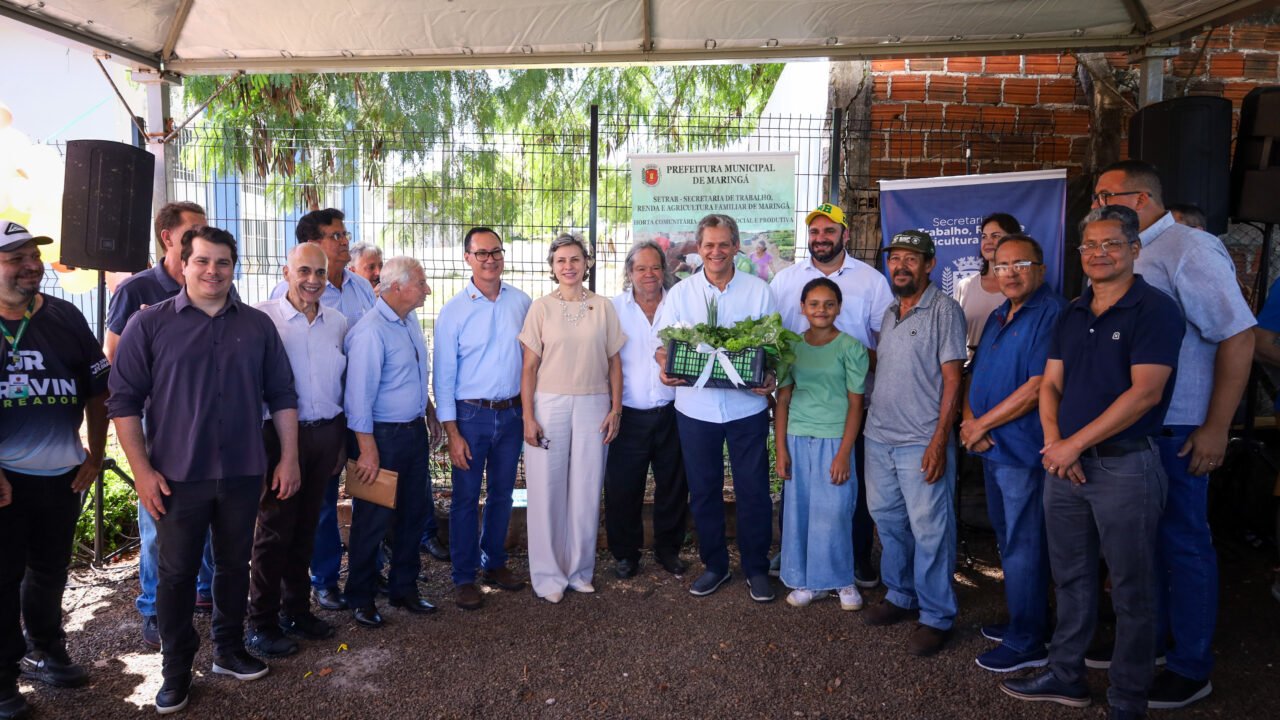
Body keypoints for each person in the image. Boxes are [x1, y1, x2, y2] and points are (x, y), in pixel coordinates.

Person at [1000, 205, 1184, 720]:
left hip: (1124, 467)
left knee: (1131, 587)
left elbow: (1145, 394)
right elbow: (1050, 384)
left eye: (1111, 244)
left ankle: (1127, 696)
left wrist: (1073, 445)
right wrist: (1056, 444)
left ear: (1134, 249)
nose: (1099, 253)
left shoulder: (1156, 310)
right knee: (1071, 578)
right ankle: (1066, 675)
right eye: (1089, 245)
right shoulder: (1073, 312)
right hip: (1065, 467)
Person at [108, 226, 300, 714]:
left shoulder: (257, 326)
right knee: (176, 575)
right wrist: (142, 472)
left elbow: (282, 394)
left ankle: (228, 650)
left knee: (235, 566)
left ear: (234, 268)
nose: (212, 271)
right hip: (176, 476)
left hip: (243, 471)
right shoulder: (148, 325)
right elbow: (123, 402)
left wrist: (289, 457)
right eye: (202, 261)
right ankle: (176, 670)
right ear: (183, 264)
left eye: (223, 262)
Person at [1091, 160, 1256, 709]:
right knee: (1143, 547)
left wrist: (1216, 427)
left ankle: (1190, 666)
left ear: (1141, 199)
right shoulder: (1129, 251)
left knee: (1183, 544)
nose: (1097, 205)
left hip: (1178, 426)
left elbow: (1238, 335)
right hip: (1131, 426)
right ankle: (1153, 645)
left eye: (1106, 195)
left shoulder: (1189, 248)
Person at [0, 221, 109, 719]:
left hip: (62, 475)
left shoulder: (65, 316)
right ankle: (3, 680)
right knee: (3, 579)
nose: (31, 266)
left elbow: (99, 391)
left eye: (34, 256)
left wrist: (95, 454)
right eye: (15, 258)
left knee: (49, 570)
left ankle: (45, 649)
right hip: (4, 479)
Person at [104, 201, 216, 648]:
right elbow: (114, 360)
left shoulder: (209, 282)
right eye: (193, 230)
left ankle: (204, 590)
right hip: (156, 424)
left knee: (207, 509)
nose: (202, 237)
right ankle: (153, 607)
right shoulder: (136, 290)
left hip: (205, 420)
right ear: (168, 237)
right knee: (157, 516)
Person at [654, 214, 779, 602]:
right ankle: (715, 565)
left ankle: (756, 568)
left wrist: (770, 376)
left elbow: (773, 349)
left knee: (754, 490)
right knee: (704, 490)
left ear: (736, 246)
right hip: (696, 410)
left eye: (724, 244)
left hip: (746, 409)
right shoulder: (681, 293)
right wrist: (665, 368)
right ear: (699, 248)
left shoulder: (759, 291)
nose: (716, 251)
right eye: (709, 244)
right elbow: (661, 347)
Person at [771, 202, 893, 588]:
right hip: (802, 410)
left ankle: (856, 559)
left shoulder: (871, 281)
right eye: (815, 232)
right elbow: (773, 339)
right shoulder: (785, 281)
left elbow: (885, 341)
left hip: (852, 406)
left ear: (845, 235)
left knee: (849, 487)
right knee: (798, 487)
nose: (821, 238)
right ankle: (795, 554)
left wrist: (848, 358)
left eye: (829, 231)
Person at [961, 234, 1067, 672]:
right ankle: (1026, 620)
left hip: (1022, 449)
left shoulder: (1052, 313)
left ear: (1040, 267)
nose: (1010, 273)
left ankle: (1028, 640)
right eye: (1001, 265)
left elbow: (1039, 386)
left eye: (1020, 264)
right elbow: (976, 373)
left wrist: (982, 424)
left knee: (1025, 543)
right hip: (991, 447)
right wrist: (970, 421)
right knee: (1009, 541)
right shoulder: (999, 313)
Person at [861, 229, 967, 657]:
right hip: (878, 437)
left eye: (910, 259)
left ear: (929, 264)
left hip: (921, 440)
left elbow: (953, 380)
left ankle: (937, 615)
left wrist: (940, 440)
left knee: (930, 530)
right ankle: (901, 594)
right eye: (895, 259)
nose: (900, 266)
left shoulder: (945, 310)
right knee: (888, 521)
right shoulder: (890, 312)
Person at [269, 210, 381, 613]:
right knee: (310, 509)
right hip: (295, 425)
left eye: (345, 234)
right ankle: (321, 582)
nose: (345, 241)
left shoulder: (358, 289)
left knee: (365, 494)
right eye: (336, 235)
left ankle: (367, 571)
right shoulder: (278, 305)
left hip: (350, 414)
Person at [246, 244, 347, 658]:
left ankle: (296, 611)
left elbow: (339, 384)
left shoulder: (337, 322)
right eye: (303, 271)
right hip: (278, 438)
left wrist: (339, 442)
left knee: (307, 528)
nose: (312, 280)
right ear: (286, 272)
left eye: (320, 273)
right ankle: (261, 623)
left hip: (325, 435)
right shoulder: (263, 318)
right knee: (274, 531)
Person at [519, 234, 624, 603]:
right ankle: (548, 577)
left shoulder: (603, 307)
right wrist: (528, 417)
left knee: (586, 488)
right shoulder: (540, 309)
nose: (569, 266)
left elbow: (615, 363)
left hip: (594, 404)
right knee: (546, 490)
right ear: (552, 267)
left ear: (587, 263)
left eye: (575, 259)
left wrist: (615, 408)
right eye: (561, 260)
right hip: (549, 405)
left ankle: (579, 572)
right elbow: (528, 368)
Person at [433, 228, 531, 611]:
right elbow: (443, 376)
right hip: (470, 416)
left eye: (496, 252)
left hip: (512, 413)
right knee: (465, 498)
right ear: (467, 258)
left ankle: (495, 563)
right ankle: (464, 577)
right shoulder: (453, 311)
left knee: (503, 494)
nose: (490, 259)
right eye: (481, 253)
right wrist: (452, 431)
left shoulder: (521, 303)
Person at [774, 277, 868, 611]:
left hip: (835, 440)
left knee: (835, 511)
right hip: (798, 437)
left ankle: (841, 580)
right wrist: (781, 449)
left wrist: (844, 453)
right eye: (813, 304)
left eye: (829, 304)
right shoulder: (792, 348)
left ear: (839, 308)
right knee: (799, 511)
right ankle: (806, 580)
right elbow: (783, 400)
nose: (821, 310)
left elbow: (856, 404)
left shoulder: (851, 348)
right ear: (802, 308)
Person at [604, 241, 689, 580]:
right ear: (630, 272)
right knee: (623, 488)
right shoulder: (613, 309)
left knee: (673, 485)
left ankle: (668, 550)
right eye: (641, 268)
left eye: (655, 267)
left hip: (674, 411)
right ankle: (625, 554)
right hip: (628, 413)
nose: (649, 274)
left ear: (664, 270)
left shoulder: (680, 304)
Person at [954, 213, 1021, 356]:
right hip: (971, 367)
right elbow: (954, 336)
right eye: (984, 237)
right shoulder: (965, 286)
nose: (988, 242)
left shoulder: (1022, 285)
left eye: (995, 236)